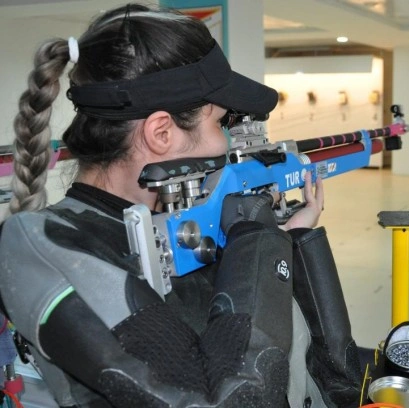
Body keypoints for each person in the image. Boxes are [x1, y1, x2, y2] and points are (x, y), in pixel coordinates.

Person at [0, 4, 362, 407]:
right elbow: (233, 398)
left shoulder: (188, 216)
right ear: (161, 133)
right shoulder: (49, 245)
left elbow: (310, 368)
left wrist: (290, 240)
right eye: (220, 123)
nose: (228, 141)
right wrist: (257, 241)